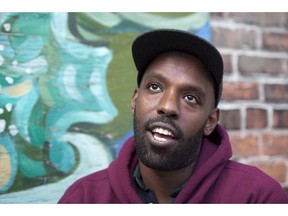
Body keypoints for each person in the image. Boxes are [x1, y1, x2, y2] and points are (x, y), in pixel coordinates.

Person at [58, 29, 288, 203]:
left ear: (210, 121)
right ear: (135, 100)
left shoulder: (257, 198)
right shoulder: (84, 198)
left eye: (190, 97)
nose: (168, 106)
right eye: (155, 87)